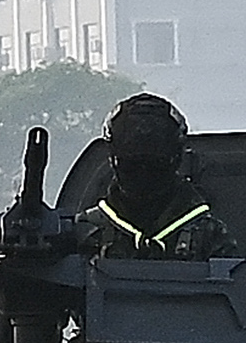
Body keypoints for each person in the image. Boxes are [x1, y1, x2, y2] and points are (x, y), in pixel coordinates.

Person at [76, 94, 224, 258]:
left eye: (154, 164)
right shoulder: (84, 232)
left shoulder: (208, 234)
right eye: (133, 164)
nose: (143, 172)